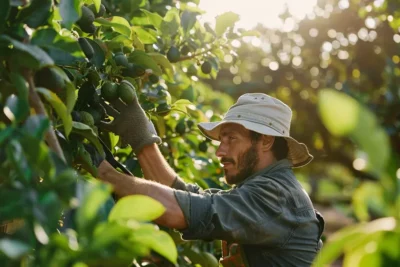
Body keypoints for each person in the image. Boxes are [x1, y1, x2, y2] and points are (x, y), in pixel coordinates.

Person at [95, 93, 324, 267]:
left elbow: (181, 210)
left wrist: (104, 173)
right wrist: (143, 140)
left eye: (231, 139)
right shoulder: (267, 187)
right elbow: (189, 197)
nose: (220, 152)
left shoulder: (275, 195)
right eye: (221, 140)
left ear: (265, 141)